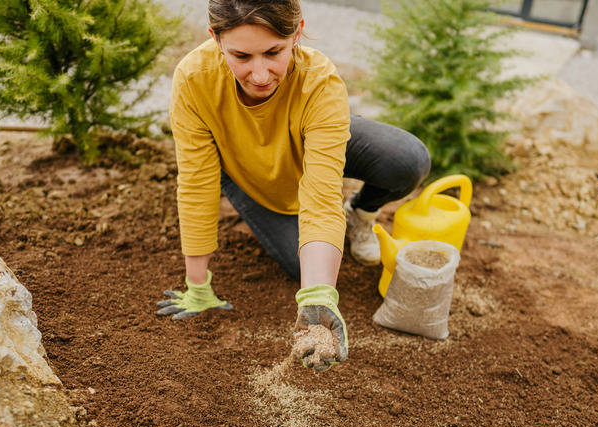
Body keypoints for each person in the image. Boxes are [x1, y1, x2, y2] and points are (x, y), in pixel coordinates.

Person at [156, 0, 430, 372]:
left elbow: (320, 195)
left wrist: (319, 295)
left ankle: (358, 213)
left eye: (274, 52)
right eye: (241, 55)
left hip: (308, 141)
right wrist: (197, 286)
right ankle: (298, 223)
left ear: (296, 32)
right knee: (298, 264)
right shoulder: (194, 78)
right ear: (215, 40)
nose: (260, 74)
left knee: (407, 160)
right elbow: (197, 184)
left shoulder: (318, 80)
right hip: (249, 173)